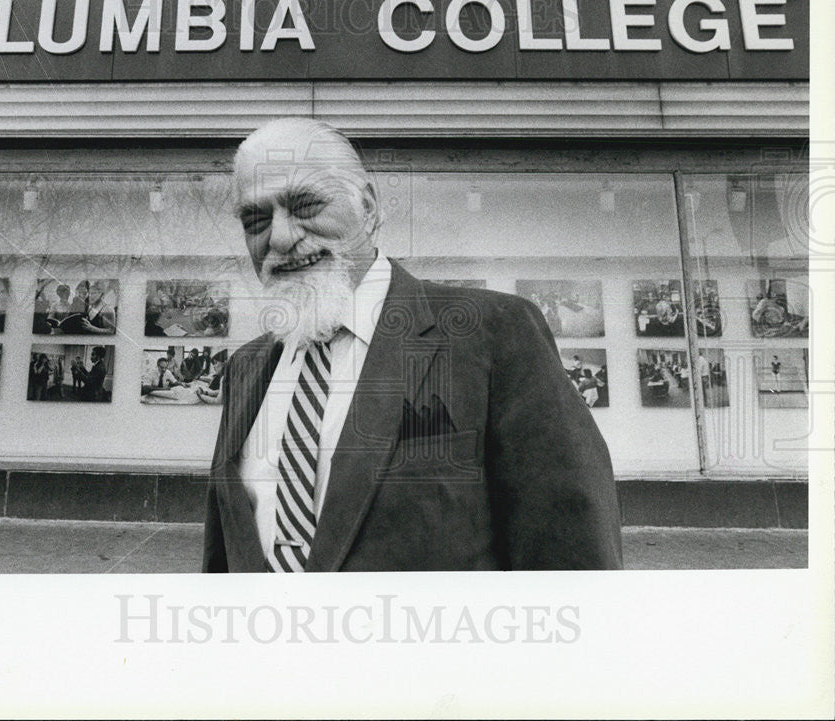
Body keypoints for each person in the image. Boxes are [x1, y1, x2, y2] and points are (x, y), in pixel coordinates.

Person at [203, 118, 622, 572]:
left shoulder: (496, 333)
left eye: (304, 205)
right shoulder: (247, 368)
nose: (280, 237)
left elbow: (574, 558)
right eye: (256, 219)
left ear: (367, 207)